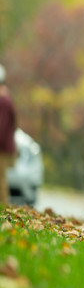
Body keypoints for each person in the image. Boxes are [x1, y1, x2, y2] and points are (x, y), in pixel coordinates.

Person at [0, 64, 17, 208]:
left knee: (1, 179)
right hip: (5, 146)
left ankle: (5, 208)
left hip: (2, 148)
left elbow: (2, 126)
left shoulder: (4, 100)